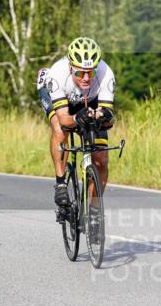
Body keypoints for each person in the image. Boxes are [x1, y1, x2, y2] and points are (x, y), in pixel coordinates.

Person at [37, 36, 116, 218]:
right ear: (70, 66)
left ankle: (94, 210)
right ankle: (60, 183)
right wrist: (77, 117)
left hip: (90, 99)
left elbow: (109, 119)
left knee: (101, 159)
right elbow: (65, 119)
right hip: (60, 99)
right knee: (59, 128)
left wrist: (105, 117)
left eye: (91, 72)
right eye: (80, 73)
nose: (86, 78)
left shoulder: (106, 73)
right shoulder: (57, 74)